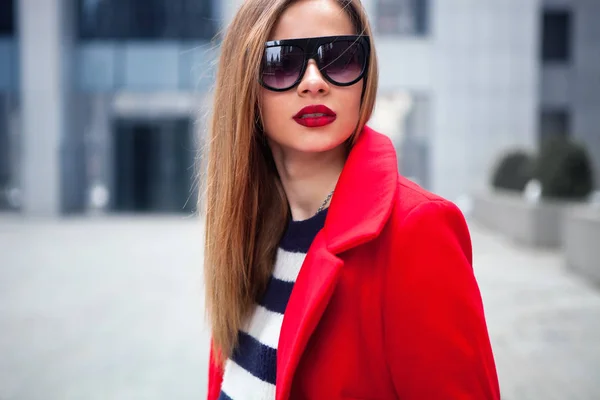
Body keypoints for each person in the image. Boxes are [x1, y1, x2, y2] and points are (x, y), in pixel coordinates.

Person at [202, 0, 500, 399]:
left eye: (339, 58)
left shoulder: (416, 231)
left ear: (365, 76)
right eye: (281, 62)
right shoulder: (248, 239)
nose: (313, 81)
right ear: (246, 87)